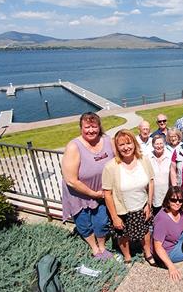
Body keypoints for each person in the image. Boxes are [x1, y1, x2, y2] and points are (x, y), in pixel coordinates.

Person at [61, 112, 115, 260]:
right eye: (87, 127)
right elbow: (71, 180)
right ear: (81, 128)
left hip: (101, 193)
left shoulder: (107, 140)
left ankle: (102, 246)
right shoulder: (74, 146)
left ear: (99, 127)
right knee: (84, 223)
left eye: (94, 126)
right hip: (79, 193)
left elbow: (119, 161)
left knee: (102, 221)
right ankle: (95, 248)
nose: (91, 130)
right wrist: (93, 194)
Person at [102, 129, 155, 265]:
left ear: (134, 143)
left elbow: (151, 181)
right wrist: (114, 217)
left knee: (145, 232)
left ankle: (147, 253)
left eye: (129, 143)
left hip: (142, 206)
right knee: (123, 235)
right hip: (123, 210)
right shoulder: (111, 167)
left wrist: (149, 204)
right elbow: (107, 193)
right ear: (117, 147)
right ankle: (127, 257)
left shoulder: (143, 160)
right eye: (121, 145)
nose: (126, 147)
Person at [152, 186, 183, 282]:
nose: (177, 203)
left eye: (180, 200)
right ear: (168, 200)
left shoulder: (179, 210)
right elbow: (158, 247)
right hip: (168, 250)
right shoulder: (162, 219)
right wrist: (171, 266)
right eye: (173, 200)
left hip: (174, 237)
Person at [149, 135, 172, 216]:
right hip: (155, 196)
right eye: (156, 144)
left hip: (168, 194)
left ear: (164, 144)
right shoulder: (148, 158)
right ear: (152, 145)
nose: (159, 146)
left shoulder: (170, 156)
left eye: (161, 143)